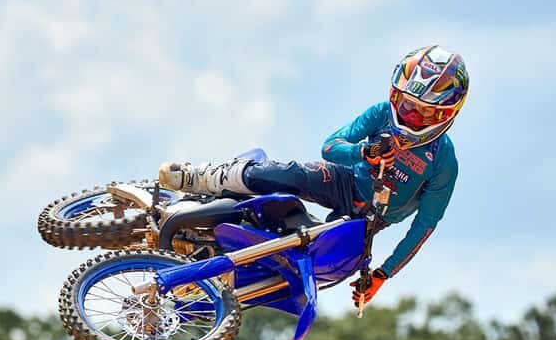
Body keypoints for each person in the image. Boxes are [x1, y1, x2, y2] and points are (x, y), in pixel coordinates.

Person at [158, 45, 468, 308]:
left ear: (445, 114)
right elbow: (331, 147)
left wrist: (382, 274)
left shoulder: (443, 161)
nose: (409, 115)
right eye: (405, 104)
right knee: (291, 175)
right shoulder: (380, 113)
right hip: (345, 181)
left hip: (370, 220)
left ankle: (217, 287)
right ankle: (200, 177)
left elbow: (424, 226)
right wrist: (363, 152)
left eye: (422, 112)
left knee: (327, 267)